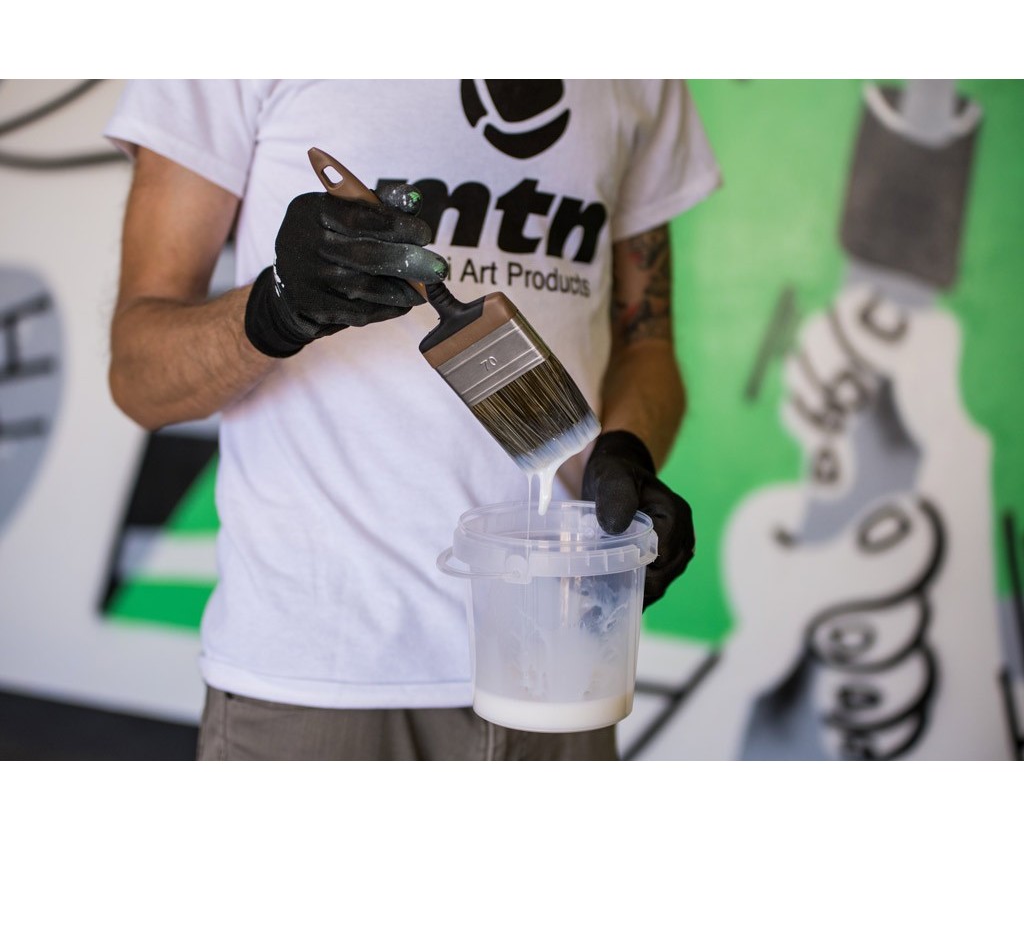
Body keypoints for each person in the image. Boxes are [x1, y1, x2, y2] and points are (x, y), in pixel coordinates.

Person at [104, 80, 721, 761]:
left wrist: (628, 450)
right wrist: (275, 306)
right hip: (318, 680)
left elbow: (647, 346)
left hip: (560, 659)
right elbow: (138, 378)